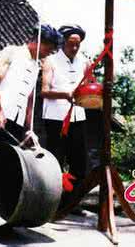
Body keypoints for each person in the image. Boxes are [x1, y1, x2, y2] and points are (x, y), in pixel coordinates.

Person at [0, 24, 62, 147]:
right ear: (38, 42)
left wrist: (29, 128)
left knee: (11, 159)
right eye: (47, 50)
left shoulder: (36, 65)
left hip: (17, 120)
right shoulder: (12, 52)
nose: (47, 54)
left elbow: (29, 99)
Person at [41, 24, 91, 179]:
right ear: (63, 43)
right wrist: (65, 94)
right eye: (71, 44)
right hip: (56, 119)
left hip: (78, 117)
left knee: (79, 163)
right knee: (56, 161)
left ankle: (73, 199)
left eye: (78, 44)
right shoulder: (50, 61)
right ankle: (55, 198)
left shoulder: (85, 62)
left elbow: (87, 87)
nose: (75, 48)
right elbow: (44, 91)